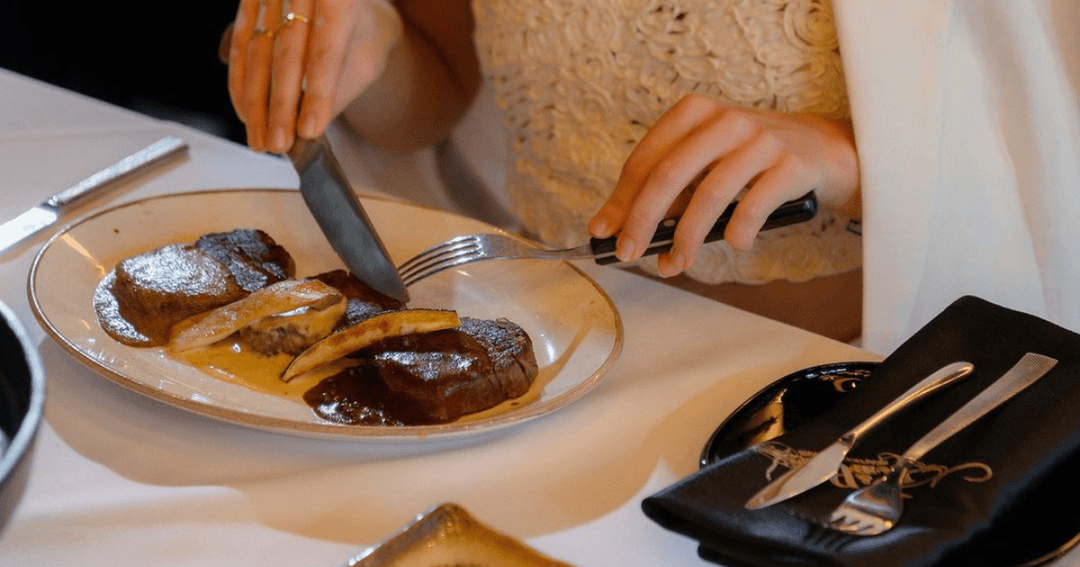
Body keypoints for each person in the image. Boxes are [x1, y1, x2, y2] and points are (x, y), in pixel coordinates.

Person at [224, 0, 1080, 353]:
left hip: (843, 383)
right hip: (558, 341)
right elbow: (438, 96)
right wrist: (370, 44)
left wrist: (852, 158)